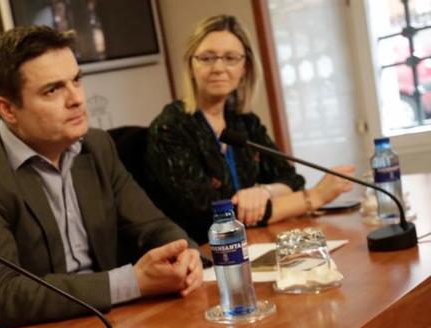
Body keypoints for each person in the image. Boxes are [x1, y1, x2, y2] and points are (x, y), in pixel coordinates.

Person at [0, 26, 202, 328]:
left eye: (76, 80)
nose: (77, 99)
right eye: (53, 90)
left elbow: (153, 226)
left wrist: (186, 255)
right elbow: (6, 295)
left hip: (100, 325)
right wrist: (132, 283)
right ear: (8, 109)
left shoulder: (96, 146)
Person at [145, 15, 355, 244]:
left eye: (231, 58)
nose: (218, 68)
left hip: (255, 242)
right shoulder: (169, 128)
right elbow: (216, 217)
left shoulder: (244, 122)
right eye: (206, 58)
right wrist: (314, 197)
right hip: (204, 255)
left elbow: (290, 178)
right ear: (191, 66)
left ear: (245, 67)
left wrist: (264, 192)